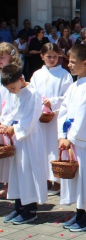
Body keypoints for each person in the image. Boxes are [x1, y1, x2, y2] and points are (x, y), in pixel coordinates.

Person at [57, 44, 86, 232]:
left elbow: (85, 116)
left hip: (83, 140)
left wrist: (73, 137)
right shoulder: (74, 85)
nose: (69, 65)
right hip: (71, 138)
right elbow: (64, 110)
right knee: (77, 178)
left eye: (73, 62)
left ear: (85, 63)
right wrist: (62, 135)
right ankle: (80, 212)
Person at [0, 64, 47, 225]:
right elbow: (10, 112)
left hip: (29, 139)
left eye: (13, 87)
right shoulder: (15, 92)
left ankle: (30, 209)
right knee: (18, 173)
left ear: (21, 79)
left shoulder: (32, 94)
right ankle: (19, 206)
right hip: (18, 140)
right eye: (9, 89)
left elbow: (30, 119)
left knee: (28, 172)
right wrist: (4, 124)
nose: (12, 91)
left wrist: (15, 128)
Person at [30, 43, 73, 196]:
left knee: (54, 147)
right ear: (42, 57)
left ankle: (57, 180)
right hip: (41, 119)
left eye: (55, 56)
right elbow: (32, 93)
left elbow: (68, 96)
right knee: (41, 148)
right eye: (49, 56)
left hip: (56, 118)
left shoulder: (64, 75)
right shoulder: (36, 75)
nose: (52, 59)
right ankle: (44, 178)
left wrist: (52, 102)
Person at [0, 43, 24, 199]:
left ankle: (9, 184)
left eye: (2, 57)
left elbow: (13, 102)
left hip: (7, 120)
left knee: (8, 155)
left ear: (12, 57)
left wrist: (6, 121)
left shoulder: (15, 77)